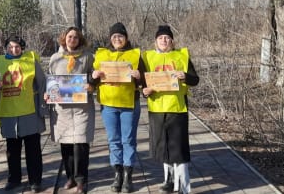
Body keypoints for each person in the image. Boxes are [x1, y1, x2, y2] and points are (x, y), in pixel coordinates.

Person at [141, 25, 199, 194]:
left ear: (172, 41)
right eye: (160, 38)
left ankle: (183, 186)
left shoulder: (182, 56)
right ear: (155, 41)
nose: (164, 41)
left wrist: (185, 76)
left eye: (167, 38)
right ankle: (168, 180)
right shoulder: (147, 57)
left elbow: (195, 80)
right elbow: (143, 85)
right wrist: (144, 92)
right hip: (157, 109)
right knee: (163, 147)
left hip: (177, 108)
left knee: (179, 149)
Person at [90, 22, 146, 193]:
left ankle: (129, 175)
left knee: (128, 140)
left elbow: (145, 81)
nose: (117, 39)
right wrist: (93, 76)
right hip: (108, 105)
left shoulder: (135, 55)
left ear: (126, 38)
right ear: (110, 39)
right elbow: (93, 81)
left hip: (129, 104)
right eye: (114, 37)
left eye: (120, 36)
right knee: (114, 140)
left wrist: (139, 77)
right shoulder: (101, 55)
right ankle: (118, 174)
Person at [0, 36, 46, 193]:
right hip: (9, 112)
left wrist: (42, 106)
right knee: (12, 150)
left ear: (22, 47)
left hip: (29, 111)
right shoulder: (0, 62)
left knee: (33, 149)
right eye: (10, 47)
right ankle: (14, 180)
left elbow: (41, 82)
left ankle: (35, 181)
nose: (14, 50)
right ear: (6, 48)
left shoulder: (30, 59)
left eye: (17, 47)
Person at [48, 27, 94, 194]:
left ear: (79, 40)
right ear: (64, 38)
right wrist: (49, 94)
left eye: (76, 37)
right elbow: (51, 81)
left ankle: (81, 179)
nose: (72, 39)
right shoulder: (55, 58)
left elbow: (94, 76)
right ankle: (70, 177)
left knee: (80, 144)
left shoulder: (88, 57)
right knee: (66, 144)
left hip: (82, 108)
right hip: (62, 110)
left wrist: (92, 85)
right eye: (70, 36)